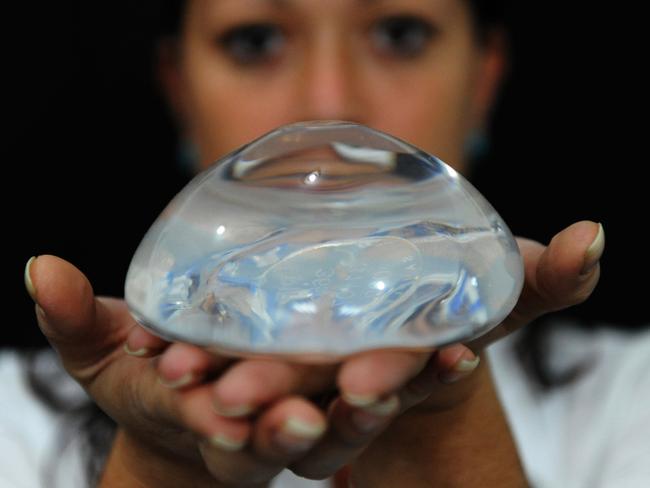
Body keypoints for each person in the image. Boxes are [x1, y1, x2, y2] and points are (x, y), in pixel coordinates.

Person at [4, 0, 649, 486]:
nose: (329, 102)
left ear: (483, 80)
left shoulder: (630, 397)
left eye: (400, 34)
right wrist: (159, 464)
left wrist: (440, 427)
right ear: (179, 89)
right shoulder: (13, 423)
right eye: (256, 41)